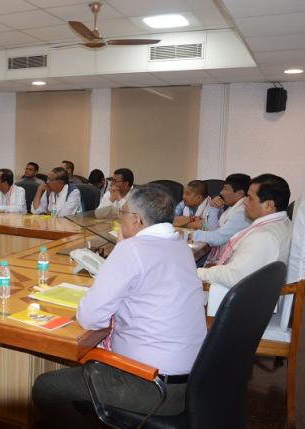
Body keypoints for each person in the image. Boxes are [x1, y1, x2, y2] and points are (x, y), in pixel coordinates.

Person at [32, 185, 206, 429]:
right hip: (193, 382)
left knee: (47, 387)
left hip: (151, 386)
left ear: (136, 220)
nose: (119, 219)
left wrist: (123, 246)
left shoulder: (133, 249)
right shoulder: (179, 245)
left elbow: (90, 318)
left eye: (122, 213)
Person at [197, 174, 291, 288]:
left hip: (229, 292)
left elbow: (233, 277)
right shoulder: (281, 224)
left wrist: (197, 272)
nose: (244, 202)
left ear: (269, 205)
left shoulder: (264, 236)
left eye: (250, 198)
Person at [191, 174, 251, 262]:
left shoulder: (241, 212)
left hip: (230, 261)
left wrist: (189, 234)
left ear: (239, 194)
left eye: (225, 189)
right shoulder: (232, 208)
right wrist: (213, 209)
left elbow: (217, 239)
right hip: (221, 256)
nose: (221, 192)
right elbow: (213, 231)